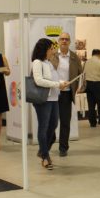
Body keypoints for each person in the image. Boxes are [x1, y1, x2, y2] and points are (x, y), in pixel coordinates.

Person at [31, 38, 68, 170]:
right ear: (44, 49)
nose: (53, 50)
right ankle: (45, 156)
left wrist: (62, 83)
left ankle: (42, 151)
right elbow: (39, 81)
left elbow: (54, 78)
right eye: (51, 48)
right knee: (44, 126)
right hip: (43, 100)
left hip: (53, 98)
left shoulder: (49, 62)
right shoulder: (37, 62)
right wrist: (57, 84)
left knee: (53, 125)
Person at [51, 32, 82, 157]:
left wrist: (80, 87)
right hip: (52, 92)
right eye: (62, 39)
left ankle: (63, 147)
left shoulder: (74, 57)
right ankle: (48, 143)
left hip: (66, 94)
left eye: (66, 39)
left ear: (69, 42)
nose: (64, 41)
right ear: (58, 41)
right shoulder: (52, 55)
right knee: (52, 122)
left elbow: (81, 74)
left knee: (65, 122)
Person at [83, 49, 100, 127]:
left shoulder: (86, 63)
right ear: (99, 54)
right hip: (98, 85)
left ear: (92, 54)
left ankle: (92, 122)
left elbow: (83, 73)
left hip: (88, 85)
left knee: (91, 105)